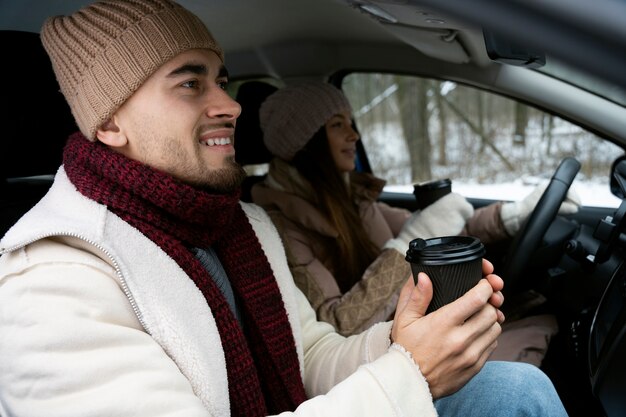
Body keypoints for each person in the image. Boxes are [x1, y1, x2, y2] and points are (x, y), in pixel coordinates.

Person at [0, 1, 568, 416]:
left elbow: (310, 356)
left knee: (517, 391)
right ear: (108, 122)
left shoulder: (243, 226)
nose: (229, 105)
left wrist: (399, 340)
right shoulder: (49, 280)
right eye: (190, 84)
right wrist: (408, 373)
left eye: (220, 80)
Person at [252, 81, 578, 364]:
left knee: (545, 322)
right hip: (383, 357)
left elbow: (439, 230)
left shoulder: (354, 198)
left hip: (417, 334)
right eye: (338, 125)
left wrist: (513, 215)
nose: (354, 134)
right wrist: (411, 242)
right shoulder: (281, 228)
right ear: (305, 143)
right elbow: (339, 327)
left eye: (351, 122)